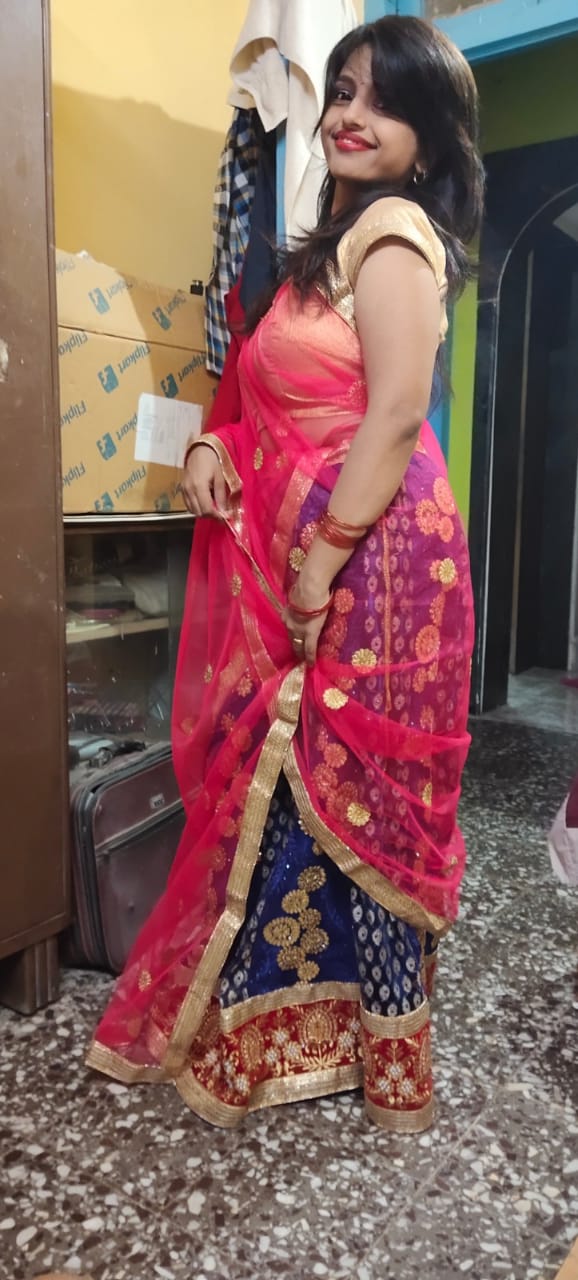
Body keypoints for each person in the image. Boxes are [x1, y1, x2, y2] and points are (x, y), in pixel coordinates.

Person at [87, 15, 484, 1133]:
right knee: (298, 778)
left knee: (361, 789)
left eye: (384, 102)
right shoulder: (320, 255)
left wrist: (320, 566)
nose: (350, 115)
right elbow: (272, 396)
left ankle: (381, 1048)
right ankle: (296, 1029)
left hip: (377, 558)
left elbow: (392, 414)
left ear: (428, 138)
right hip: (321, 547)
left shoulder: (395, 233)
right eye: (342, 91)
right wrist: (211, 447)